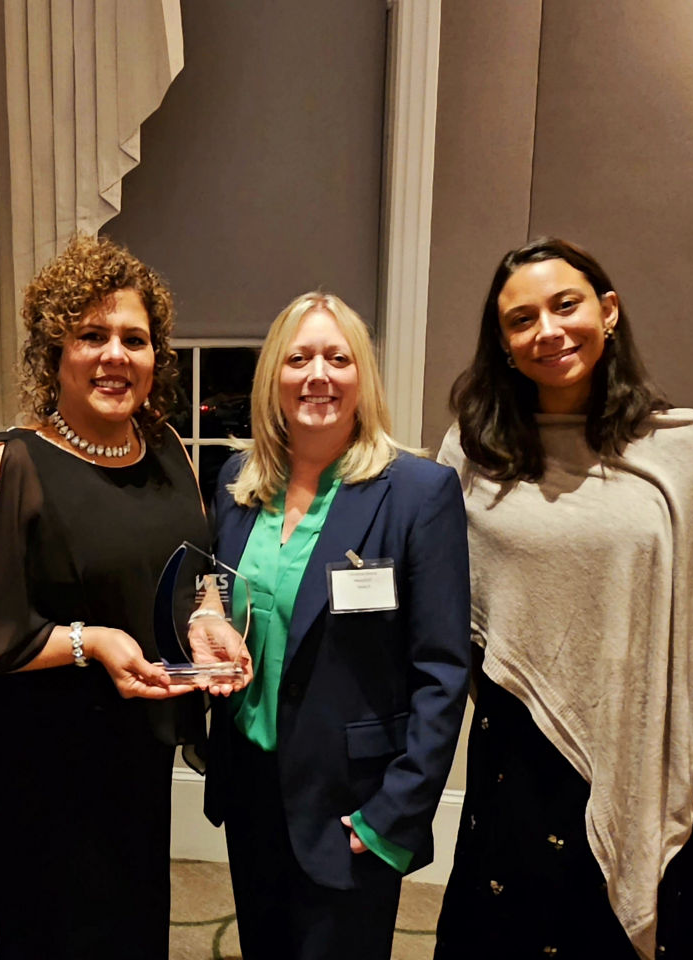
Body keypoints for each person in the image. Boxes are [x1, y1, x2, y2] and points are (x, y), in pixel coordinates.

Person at [0, 233, 244, 959]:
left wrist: (210, 619)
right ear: (53, 352)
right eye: (92, 336)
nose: (116, 355)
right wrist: (90, 642)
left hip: (137, 762)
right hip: (43, 776)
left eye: (135, 338)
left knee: (136, 933)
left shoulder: (169, 456)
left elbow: (196, 574)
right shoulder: (11, 461)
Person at [433, 237, 693, 959]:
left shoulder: (689, 451)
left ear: (607, 311)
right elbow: (445, 594)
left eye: (565, 304)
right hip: (515, 742)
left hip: (639, 735)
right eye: (521, 320)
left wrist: (691, 732)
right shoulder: (471, 451)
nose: (546, 330)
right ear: (504, 343)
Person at [202, 292, 471, 960]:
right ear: (274, 376)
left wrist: (396, 814)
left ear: (363, 377)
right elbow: (217, 583)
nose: (317, 374)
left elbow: (442, 671)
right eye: (298, 358)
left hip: (353, 802)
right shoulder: (238, 481)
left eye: (336, 357)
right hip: (253, 785)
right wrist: (208, 610)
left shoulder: (417, 493)